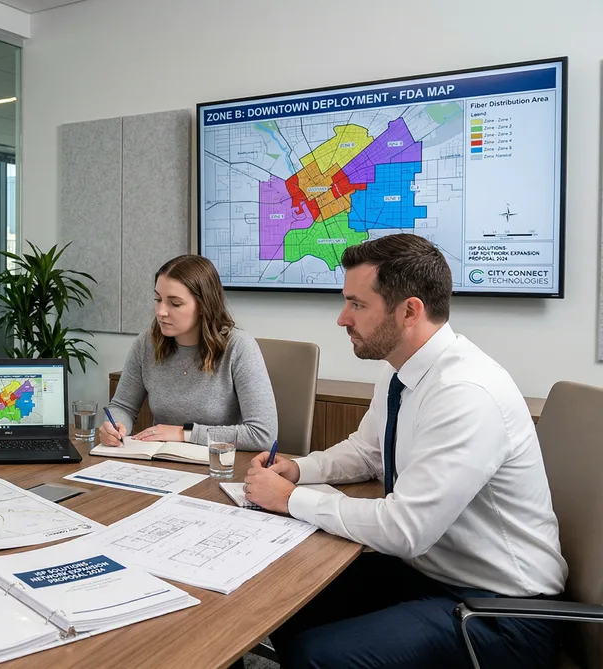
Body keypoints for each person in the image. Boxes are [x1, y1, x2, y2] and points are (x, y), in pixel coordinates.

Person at [243, 234, 566, 669]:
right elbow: (367, 451)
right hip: (433, 576)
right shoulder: (403, 371)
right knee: (281, 598)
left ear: (409, 310)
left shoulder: (465, 392)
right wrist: (298, 470)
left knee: (316, 656)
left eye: (357, 304)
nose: (342, 318)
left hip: (504, 614)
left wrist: (289, 500)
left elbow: (406, 529)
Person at [98, 254, 276, 450]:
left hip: (219, 464)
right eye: (158, 299)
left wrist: (185, 433)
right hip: (163, 462)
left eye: (175, 303)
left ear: (203, 305)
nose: (161, 311)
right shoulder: (146, 343)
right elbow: (122, 406)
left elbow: (262, 434)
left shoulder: (239, 347)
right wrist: (114, 426)